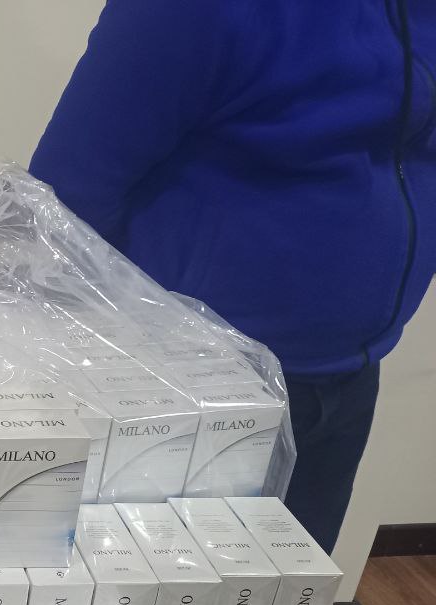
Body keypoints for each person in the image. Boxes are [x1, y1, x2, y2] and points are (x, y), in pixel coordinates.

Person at [29, 0, 436, 551]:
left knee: (285, 597)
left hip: (347, 381)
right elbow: (65, 203)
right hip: (188, 390)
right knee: (151, 598)